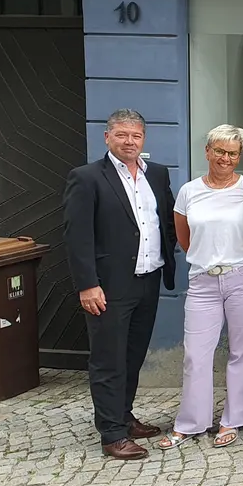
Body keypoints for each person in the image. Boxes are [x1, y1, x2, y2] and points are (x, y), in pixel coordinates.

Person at [62, 109, 178, 461]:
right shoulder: (86, 178)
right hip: (109, 285)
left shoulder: (157, 174)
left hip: (148, 277)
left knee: (132, 355)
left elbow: (165, 221)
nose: (129, 141)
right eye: (122, 135)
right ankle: (111, 433)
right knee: (108, 359)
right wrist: (87, 285)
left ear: (144, 138)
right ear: (107, 137)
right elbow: (77, 235)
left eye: (136, 135)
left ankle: (124, 417)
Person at [157, 126, 243, 450]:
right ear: (207, 151)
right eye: (219, 151)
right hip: (203, 279)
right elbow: (184, 238)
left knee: (241, 351)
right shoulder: (189, 191)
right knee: (195, 354)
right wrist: (207, 258)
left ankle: (234, 418)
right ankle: (191, 422)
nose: (225, 158)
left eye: (232, 153)